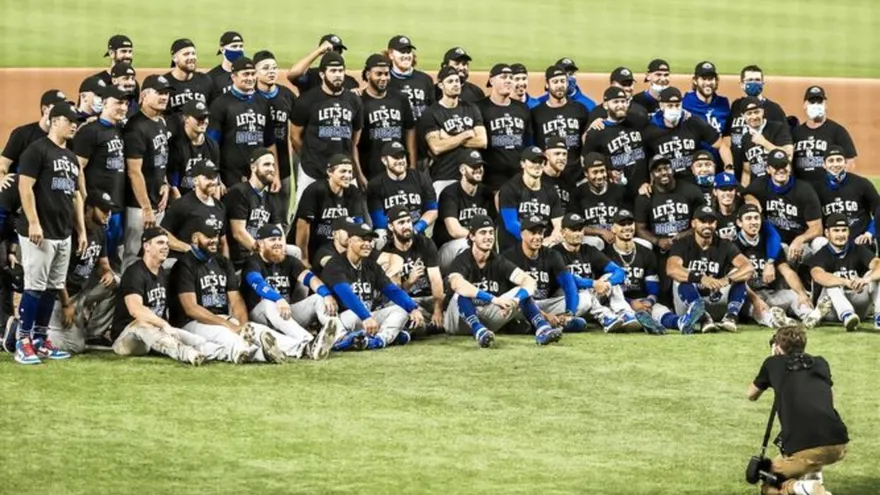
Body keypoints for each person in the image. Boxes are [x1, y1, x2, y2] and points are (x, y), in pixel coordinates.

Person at [11, 102, 85, 365]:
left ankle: (40, 341)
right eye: (70, 120)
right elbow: (25, 187)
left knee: (52, 288)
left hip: (62, 233)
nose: (75, 124)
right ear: (55, 121)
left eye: (77, 120)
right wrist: (33, 222)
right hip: (38, 233)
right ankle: (22, 341)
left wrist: (81, 230)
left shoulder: (70, 156)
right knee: (34, 288)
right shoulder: (37, 150)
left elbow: (75, 196)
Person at [169, 220, 290, 364]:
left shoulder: (223, 262)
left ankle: (300, 347)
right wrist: (229, 325)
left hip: (221, 318)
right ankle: (257, 353)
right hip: (192, 323)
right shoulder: (184, 265)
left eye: (216, 236)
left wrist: (243, 326)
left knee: (256, 330)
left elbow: (236, 300)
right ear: (195, 239)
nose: (214, 240)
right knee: (226, 334)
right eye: (208, 237)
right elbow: (191, 309)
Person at [747, 325, 849, 495]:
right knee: (801, 455)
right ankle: (814, 479)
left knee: (769, 483)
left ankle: (808, 488)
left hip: (807, 447)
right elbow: (829, 399)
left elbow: (751, 394)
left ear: (777, 347)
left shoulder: (772, 363)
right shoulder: (820, 363)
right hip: (839, 442)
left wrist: (772, 365)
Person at [110, 227, 226, 366]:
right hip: (127, 338)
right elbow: (136, 309)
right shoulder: (134, 272)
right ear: (146, 246)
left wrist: (167, 328)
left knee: (195, 340)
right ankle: (186, 354)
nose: (165, 247)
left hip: (155, 333)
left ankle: (228, 352)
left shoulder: (162, 273)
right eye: (160, 243)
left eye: (166, 243)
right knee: (142, 324)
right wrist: (164, 324)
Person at [444, 215, 561, 347]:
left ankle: (543, 329)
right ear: (472, 236)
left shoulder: (498, 260)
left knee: (521, 291)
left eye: (491, 232)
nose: (488, 237)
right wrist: (494, 299)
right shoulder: (462, 259)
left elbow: (529, 281)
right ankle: (478, 330)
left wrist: (515, 300)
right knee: (462, 292)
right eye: (483, 232)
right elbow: (457, 284)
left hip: (486, 318)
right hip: (457, 320)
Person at [321, 222, 424, 350]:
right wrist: (366, 317)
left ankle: (378, 340)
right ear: (349, 242)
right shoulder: (335, 264)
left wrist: (412, 308)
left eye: (370, 240)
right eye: (362, 239)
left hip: (368, 316)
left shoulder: (370, 265)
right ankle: (348, 339)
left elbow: (392, 290)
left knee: (401, 311)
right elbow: (346, 294)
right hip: (345, 318)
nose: (367, 244)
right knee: (353, 315)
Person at [241, 224, 338, 360]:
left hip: (285, 315)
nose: (278, 243)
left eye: (280, 239)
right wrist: (278, 298)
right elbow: (257, 283)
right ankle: (308, 341)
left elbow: (310, 278)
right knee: (270, 302)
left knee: (319, 297)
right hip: (261, 315)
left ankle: (335, 337)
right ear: (260, 244)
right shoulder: (253, 262)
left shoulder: (289, 260)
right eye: (272, 240)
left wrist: (326, 294)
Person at [45, 192, 118, 353]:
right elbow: (55, 273)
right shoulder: (69, 232)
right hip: (59, 295)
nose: (108, 215)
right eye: (104, 210)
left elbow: (103, 263)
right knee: (74, 347)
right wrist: (65, 304)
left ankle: (94, 333)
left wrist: (107, 272)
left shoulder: (100, 231)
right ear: (89, 209)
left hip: (81, 294)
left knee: (117, 283)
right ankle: (23, 329)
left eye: (110, 210)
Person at [736, 204, 828, 330]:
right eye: (749, 218)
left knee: (793, 296)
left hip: (770, 293)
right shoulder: (733, 245)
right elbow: (735, 279)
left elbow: (787, 272)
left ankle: (810, 316)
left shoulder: (769, 244)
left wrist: (801, 293)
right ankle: (775, 321)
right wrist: (756, 300)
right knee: (754, 306)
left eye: (756, 218)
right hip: (748, 296)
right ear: (739, 223)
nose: (754, 222)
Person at [291, 52, 365, 205]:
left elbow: (354, 139)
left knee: (349, 216)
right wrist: (309, 157)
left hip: (344, 170)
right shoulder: (307, 100)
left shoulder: (354, 101)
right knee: (303, 215)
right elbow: (295, 136)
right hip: (312, 170)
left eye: (340, 70)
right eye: (333, 71)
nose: (337, 75)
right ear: (322, 74)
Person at [667, 205, 755, 333]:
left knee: (737, 274)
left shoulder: (724, 244)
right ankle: (702, 317)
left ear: (716, 224)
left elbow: (748, 267)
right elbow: (671, 269)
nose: (707, 225)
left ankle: (731, 317)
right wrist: (701, 279)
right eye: (703, 221)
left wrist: (727, 279)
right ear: (693, 223)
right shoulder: (682, 244)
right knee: (679, 278)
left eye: (711, 221)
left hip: (716, 298)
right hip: (688, 305)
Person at [73, 85, 130, 263]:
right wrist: (85, 199)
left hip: (116, 205)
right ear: (104, 103)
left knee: (110, 255)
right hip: (96, 208)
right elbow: (77, 168)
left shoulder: (120, 130)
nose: (123, 107)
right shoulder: (89, 132)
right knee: (89, 257)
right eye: (118, 102)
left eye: (126, 103)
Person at [550, 213, 635, 332]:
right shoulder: (554, 253)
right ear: (563, 232)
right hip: (567, 299)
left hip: (590, 295)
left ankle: (625, 313)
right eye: (573, 230)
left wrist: (608, 283)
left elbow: (619, 271)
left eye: (580, 229)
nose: (578, 233)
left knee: (609, 277)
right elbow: (567, 280)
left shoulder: (589, 250)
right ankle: (605, 316)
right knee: (582, 293)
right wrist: (594, 283)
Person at [123, 74, 172, 272]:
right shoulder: (136, 127)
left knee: (152, 255)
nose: (164, 97)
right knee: (132, 254)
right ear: (143, 95)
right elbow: (134, 172)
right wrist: (145, 208)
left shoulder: (160, 122)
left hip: (155, 202)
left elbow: (161, 160)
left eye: (167, 93)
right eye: (159, 93)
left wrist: (166, 184)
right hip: (138, 206)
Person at [604, 210, 683, 334]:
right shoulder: (605, 255)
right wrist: (631, 303)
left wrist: (648, 301)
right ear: (613, 229)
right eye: (622, 224)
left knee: (661, 311)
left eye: (630, 224)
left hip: (643, 300)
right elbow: (605, 290)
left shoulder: (645, 253)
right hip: (617, 303)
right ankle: (644, 322)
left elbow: (653, 286)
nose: (627, 227)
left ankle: (681, 322)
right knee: (623, 313)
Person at [207, 57, 278, 191]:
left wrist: (275, 174)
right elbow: (211, 145)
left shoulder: (263, 102)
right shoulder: (220, 104)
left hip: (258, 174)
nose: (250, 78)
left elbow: (269, 142)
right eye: (245, 74)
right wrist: (215, 177)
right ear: (233, 76)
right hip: (230, 175)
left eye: (252, 73)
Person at [744, 150, 822, 266]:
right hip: (776, 242)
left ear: (789, 167)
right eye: (776, 166)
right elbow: (743, 192)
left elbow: (817, 229)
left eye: (784, 165)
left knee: (820, 242)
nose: (781, 170)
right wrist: (750, 198)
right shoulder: (760, 185)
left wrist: (800, 239)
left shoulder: (804, 190)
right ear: (768, 169)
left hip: (801, 243)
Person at [420, 65, 487, 197]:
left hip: (471, 176)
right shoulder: (431, 112)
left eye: (457, 81)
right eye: (450, 81)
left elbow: (482, 141)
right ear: (440, 85)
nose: (455, 84)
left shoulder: (471, 108)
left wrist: (449, 137)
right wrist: (465, 134)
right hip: (444, 176)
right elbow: (437, 147)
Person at [807, 213, 880, 331]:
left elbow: (878, 264)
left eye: (843, 230)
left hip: (859, 304)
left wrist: (867, 279)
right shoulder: (821, 255)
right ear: (827, 233)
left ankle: (879, 317)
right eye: (836, 230)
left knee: (874, 275)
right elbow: (819, 276)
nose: (840, 235)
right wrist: (845, 282)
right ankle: (847, 315)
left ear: (848, 232)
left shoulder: (858, 249)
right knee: (831, 283)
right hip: (832, 310)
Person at [643, 87, 734, 180]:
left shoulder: (693, 122)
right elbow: (644, 160)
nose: (674, 109)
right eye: (670, 106)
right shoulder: (651, 130)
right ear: (661, 106)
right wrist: (645, 182)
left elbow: (721, 145)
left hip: (693, 181)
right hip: (667, 183)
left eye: (677, 105)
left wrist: (729, 168)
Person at [293, 154, 366, 268]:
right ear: (329, 172)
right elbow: (302, 225)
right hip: (316, 248)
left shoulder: (353, 192)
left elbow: (358, 225)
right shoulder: (315, 190)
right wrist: (304, 258)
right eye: (343, 171)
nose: (348, 176)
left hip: (341, 247)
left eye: (350, 172)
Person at [381, 206, 444, 335]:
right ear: (391, 227)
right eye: (401, 222)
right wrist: (410, 281)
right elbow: (395, 293)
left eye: (408, 221)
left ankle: (427, 325)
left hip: (430, 298)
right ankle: (425, 327)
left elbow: (436, 279)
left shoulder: (425, 243)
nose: (407, 226)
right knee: (396, 308)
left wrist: (438, 310)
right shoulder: (387, 253)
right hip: (410, 301)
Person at [225, 148, 286, 270]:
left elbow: (279, 231)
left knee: (295, 253)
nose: (272, 169)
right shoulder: (239, 192)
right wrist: (263, 253)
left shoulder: (270, 197)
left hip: (264, 251)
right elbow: (238, 233)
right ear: (253, 167)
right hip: (244, 256)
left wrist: (280, 249)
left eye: (273, 165)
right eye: (266, 164)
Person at [366, 141, 436, 247]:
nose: (400, 161)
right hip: (389, 232)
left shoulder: (420, 178)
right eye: (395, 157)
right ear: (384, 160)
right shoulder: (375, 184)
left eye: (402, 157)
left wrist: (417, 228)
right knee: (380, 236)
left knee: (428, 244)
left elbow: (432, 210)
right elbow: (378, 220)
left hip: (415, 229)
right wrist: (400, 232)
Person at [358, 54, 417, 181]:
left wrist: (412, 164)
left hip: (398, 167)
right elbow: (354, 143)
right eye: (378, 74)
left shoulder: (401, 99)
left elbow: (410, 130)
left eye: (386, 73)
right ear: (368, 75)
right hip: (369, 168)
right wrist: (359, 174)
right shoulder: (359, 101)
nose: (384, 78)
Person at [253, 50, 297, 219]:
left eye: (274, 68)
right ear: (255, 73)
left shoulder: (286, 95)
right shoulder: (252, 97)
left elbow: (301, 121)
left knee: (282, 213)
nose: (271, 72)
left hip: (283, 162)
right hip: (256, 163)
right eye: (266, 68)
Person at [582, 87, 648, 196]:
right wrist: (607, 172)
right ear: (605, 105)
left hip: (642, 189)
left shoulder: (638, 121)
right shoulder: (596, 132)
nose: (621, 105)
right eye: (616, 102)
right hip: (616, 193)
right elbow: (586, 161)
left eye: (623, 101)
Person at [435, 149, 494, 272]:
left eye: (480, 166)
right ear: (462, 169)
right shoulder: (450, 193)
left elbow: (493, 226)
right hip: (448, 249)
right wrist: (480, 238)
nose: (479, 169)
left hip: (476, 244)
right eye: (474, 166)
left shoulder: (487, 193)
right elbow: (454, 231)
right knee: (466, 245)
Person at [530, 65, 589, 184]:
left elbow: (586, 140)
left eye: (563, 81)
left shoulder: (580, 109)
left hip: (576, 176)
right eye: (555, 81)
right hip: (547, 177)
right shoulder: (536, 113)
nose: (560, 85)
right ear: (547, 85)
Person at [477, 63, 531, 192]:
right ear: (491, 80)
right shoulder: (479, 108)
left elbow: (528, 141)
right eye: (503, 77)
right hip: (490, 178)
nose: (508, 81)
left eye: (511, 78)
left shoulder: (522, 108)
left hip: (518, 177)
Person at [497, 146, 563, 251]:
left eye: (541, 162)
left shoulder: (550, 191)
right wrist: (536, 241)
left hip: (543, 246)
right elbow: (511, 224)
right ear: (523, 164)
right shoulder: (509, 189)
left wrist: (554, 237)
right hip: (514, 247)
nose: (537, 165)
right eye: (533, 161)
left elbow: (559, 224)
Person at [634, 156, 706, 252]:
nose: (663, 173)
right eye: (658, 170)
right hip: (658, 250)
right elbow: (640, 229)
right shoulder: (645, 197)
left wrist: (685, 235)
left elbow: (704, 222)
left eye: (666, 168)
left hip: (689, 246)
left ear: (672, 170)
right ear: (652, 175)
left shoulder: (691, 191)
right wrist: (658, 241)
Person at [160, 159, 227, 262]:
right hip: (183, 263)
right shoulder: (182, 204)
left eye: (214, 177)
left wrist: (225, 266)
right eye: (207, 178)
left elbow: (223, 241)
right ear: (195, 181)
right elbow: (162, 233)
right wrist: (188, 249)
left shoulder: (220, 207)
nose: (213, 181)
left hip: (208, 266)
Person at [813, 145, 879, 247]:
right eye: (831, 161)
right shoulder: (816, 189)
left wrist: (869, 233)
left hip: (859, 241)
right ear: (824, 165)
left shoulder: (862, 183)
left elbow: (878, 210)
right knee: (818, 243)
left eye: (839, 160)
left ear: (845, 163)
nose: (835, 164)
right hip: (831, 243)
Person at [791, 86, 857, 184]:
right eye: (812, 102)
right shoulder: (795, 133)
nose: (816, 105)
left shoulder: (837, 131)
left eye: (820, 102)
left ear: (825, 105)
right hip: (802, 191)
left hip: (827, 191)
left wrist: (838, 186)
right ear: (805, 105)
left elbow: (850, 163)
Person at [725, 65, 787, 165]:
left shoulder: (774, 109)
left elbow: (785, 142)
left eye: (757, 80)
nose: (754, 83)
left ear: (763, 83)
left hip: (761, 165)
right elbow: (727, 135)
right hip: (736, 164)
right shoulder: (736, 106)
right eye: (750, 80)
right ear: (741, 84)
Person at [568, 151, 629, 250]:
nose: (600, 176)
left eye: (602, 171)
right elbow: (575, 226)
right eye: (595, 172)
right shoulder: (577, 193)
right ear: (586, 173)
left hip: (616, 237)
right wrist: (601, 231)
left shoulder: (619, 190)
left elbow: (628, 219)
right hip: (591, 243)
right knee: (597, 242)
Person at [0, 89, 68, 178]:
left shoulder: (65, 138)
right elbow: (3, 163)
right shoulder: (22, 134)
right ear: (45, 109)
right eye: (58, 108)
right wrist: (1, 179)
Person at [168, 100, 219, 199]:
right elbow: (173, 185)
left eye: (206, 117)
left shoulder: (212, 145)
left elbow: (215, 180)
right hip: (182, 199)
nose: (204, 121)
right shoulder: (175, 144)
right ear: (185, 118)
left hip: (204, 198)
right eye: (199, 118)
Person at [736, 97, 793, 186]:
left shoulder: (778, 128)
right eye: (749, 113)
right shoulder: (745, 138)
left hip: (780, 186)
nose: (754, 117)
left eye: (756, 112)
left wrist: (764, 142)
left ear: (762, 111)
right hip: (758, 190)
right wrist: (745, 193)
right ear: (743, 116)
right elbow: (747, 171)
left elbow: (789, 155)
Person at [286, 34, 359, 93]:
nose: (335, 54)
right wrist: (318, 51)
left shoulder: (350, 82)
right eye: (330, 51)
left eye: (338, 51)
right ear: (321, 53)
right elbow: (292, 74)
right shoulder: (310, 76)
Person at [385, 35, 435, 122]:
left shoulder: (425, 79)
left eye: (408, 52)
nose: (406, 55)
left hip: (422, 129)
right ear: (391, 55)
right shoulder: (384, 80)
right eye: (402, 52)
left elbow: (433, 108)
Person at [164, 39, 214, 114]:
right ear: (174, 58)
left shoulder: (205, 80)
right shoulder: (164, 83)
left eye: (193, 53)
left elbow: (214, 111)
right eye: (186, 54)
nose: (191, 57)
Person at [682, 61, 730, 136]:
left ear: (716, 81)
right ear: (695, 80)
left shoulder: (723, 103)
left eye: (711, 79)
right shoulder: (686, 102)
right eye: (704, 79)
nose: (708, 83)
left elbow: (727, 133)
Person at [207, 31, 244, 97]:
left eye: (241, 46)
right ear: (222, 49)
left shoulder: (249, 74)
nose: (238, 49)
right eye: (234, 46)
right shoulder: (211, 77)